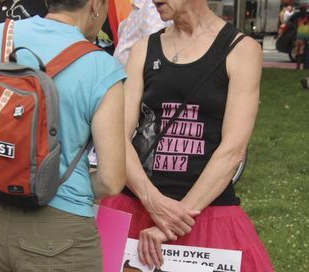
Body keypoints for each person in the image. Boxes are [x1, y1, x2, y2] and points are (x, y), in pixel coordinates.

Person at [0, 0, 126, 270]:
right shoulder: (101, 67)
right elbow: (111, 181)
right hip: (60, 231)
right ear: (95, 5)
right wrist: (51, 180)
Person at [101, 0, 274, 271]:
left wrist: (175, 220)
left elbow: (232, 150)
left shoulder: (242, 50)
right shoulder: (143, 49)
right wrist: (153, 202)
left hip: (204, 213)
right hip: (135, 205)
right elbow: (117, 137)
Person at [114, 0, 170, 66]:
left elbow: (155, 54)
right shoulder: (141, 6)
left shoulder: (153, 9)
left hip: (134, 72)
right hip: (123, 70)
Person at [292, 4, 309, 69]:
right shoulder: (298, 19)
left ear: (305, 10)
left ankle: (305, 66)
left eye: (303, 10)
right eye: (301, 10)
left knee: (305, 53)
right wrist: (294, 37)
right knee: (298, 53)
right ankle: (298, 66)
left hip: (306, 38)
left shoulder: (307, 18)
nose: (302, 11)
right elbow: (295, 28)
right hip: (299, 38)